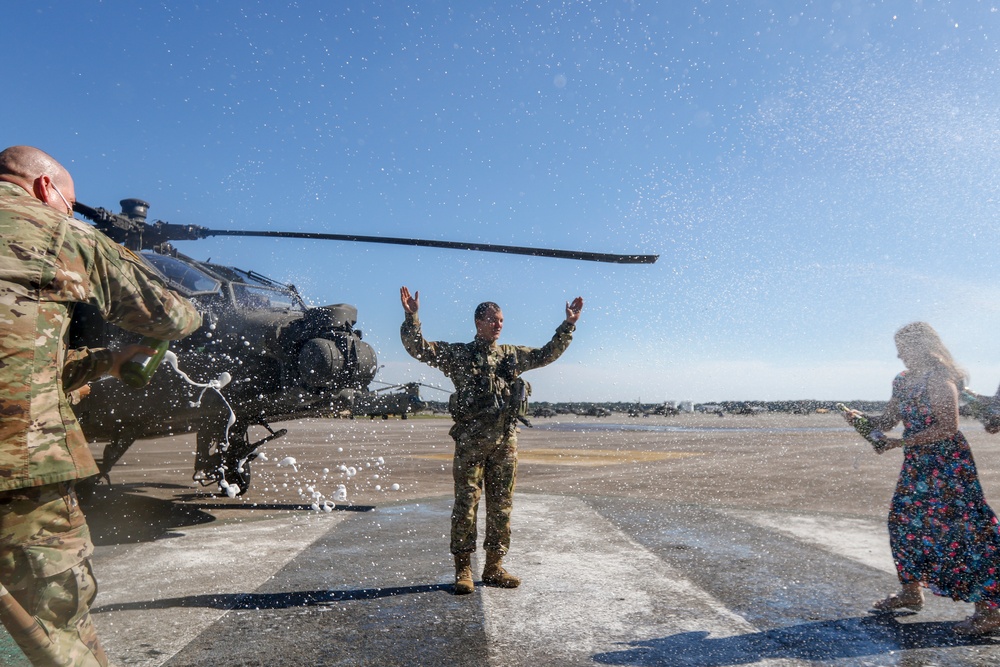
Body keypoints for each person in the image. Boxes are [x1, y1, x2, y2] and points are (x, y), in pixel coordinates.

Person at [0, 146, 202, 665]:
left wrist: (107, 362)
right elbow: (172, 316)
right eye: (68, 203)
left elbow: (19, 355)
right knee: (54, 625)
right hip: (16, 471)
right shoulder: (58, 231)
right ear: (46, 190)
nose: (67, 212)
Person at [400, 287, 583, 595]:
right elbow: (419, 349)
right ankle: (464, 569)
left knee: (501, 507)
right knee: (466, 506)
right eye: (493, 319)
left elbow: (546, 354)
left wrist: (568, 325)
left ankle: (494, 567)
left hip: (505, 443)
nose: (499, 324)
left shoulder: (511, 355)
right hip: (471, 443)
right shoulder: (459, 354)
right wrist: (411, 316)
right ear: (478, 322)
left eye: (501, 320)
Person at [842, 322, 1000, 635]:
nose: (898, 354)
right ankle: (911, 593)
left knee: (966, 529)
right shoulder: (902, 381)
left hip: (948, 466)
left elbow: (947, 428)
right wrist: (860, 421)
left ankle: (990, 611)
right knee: (903, 522)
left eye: (904, 346)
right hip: (917, 465)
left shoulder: (940, 377)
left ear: (923, 346)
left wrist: (899, 443)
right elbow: (887, 421)